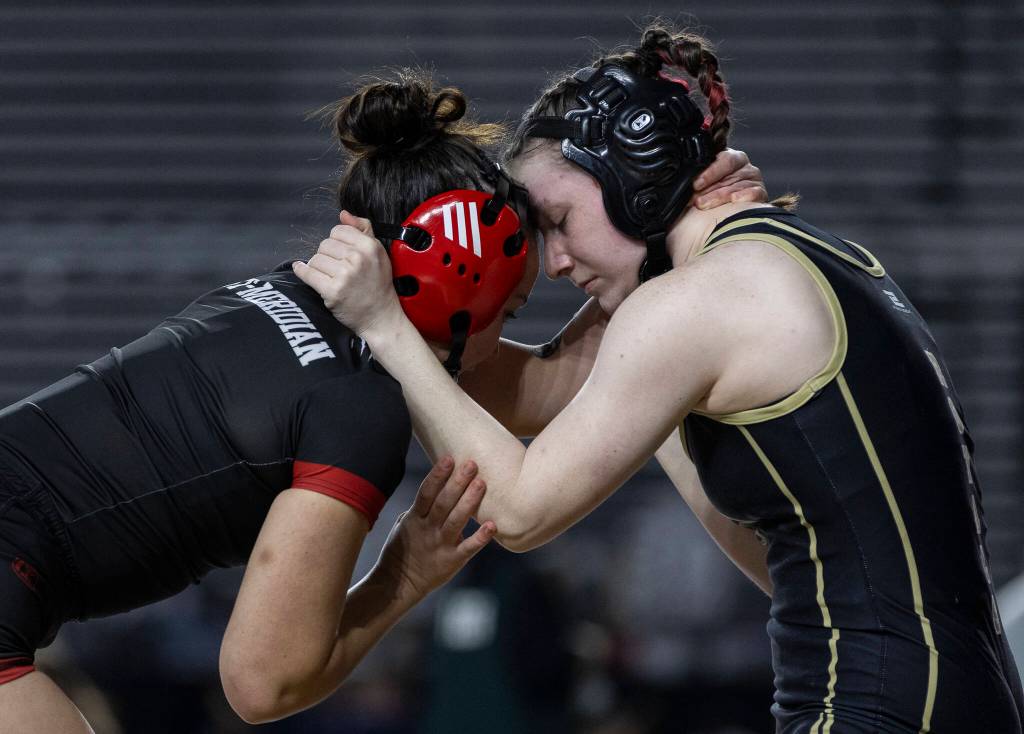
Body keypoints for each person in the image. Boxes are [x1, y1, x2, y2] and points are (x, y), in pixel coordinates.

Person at [295, 25, 1024, 734]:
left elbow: (517, 513)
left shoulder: (692, 305)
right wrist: (424, 311)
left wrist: (386, 327)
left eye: (558, 220)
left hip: (872, 705)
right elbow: (544, 392)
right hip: (952, 694)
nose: (552, 263)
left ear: (637, 184)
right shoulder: (800, 262)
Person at [0, 70, 759, 734]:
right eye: (515, 311)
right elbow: (262, 683)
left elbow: (550, 386)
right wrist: (409, 571)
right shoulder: (353, 409)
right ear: (462, 292)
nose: (512, 334)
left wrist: (664, 240)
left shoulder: (281, 299)